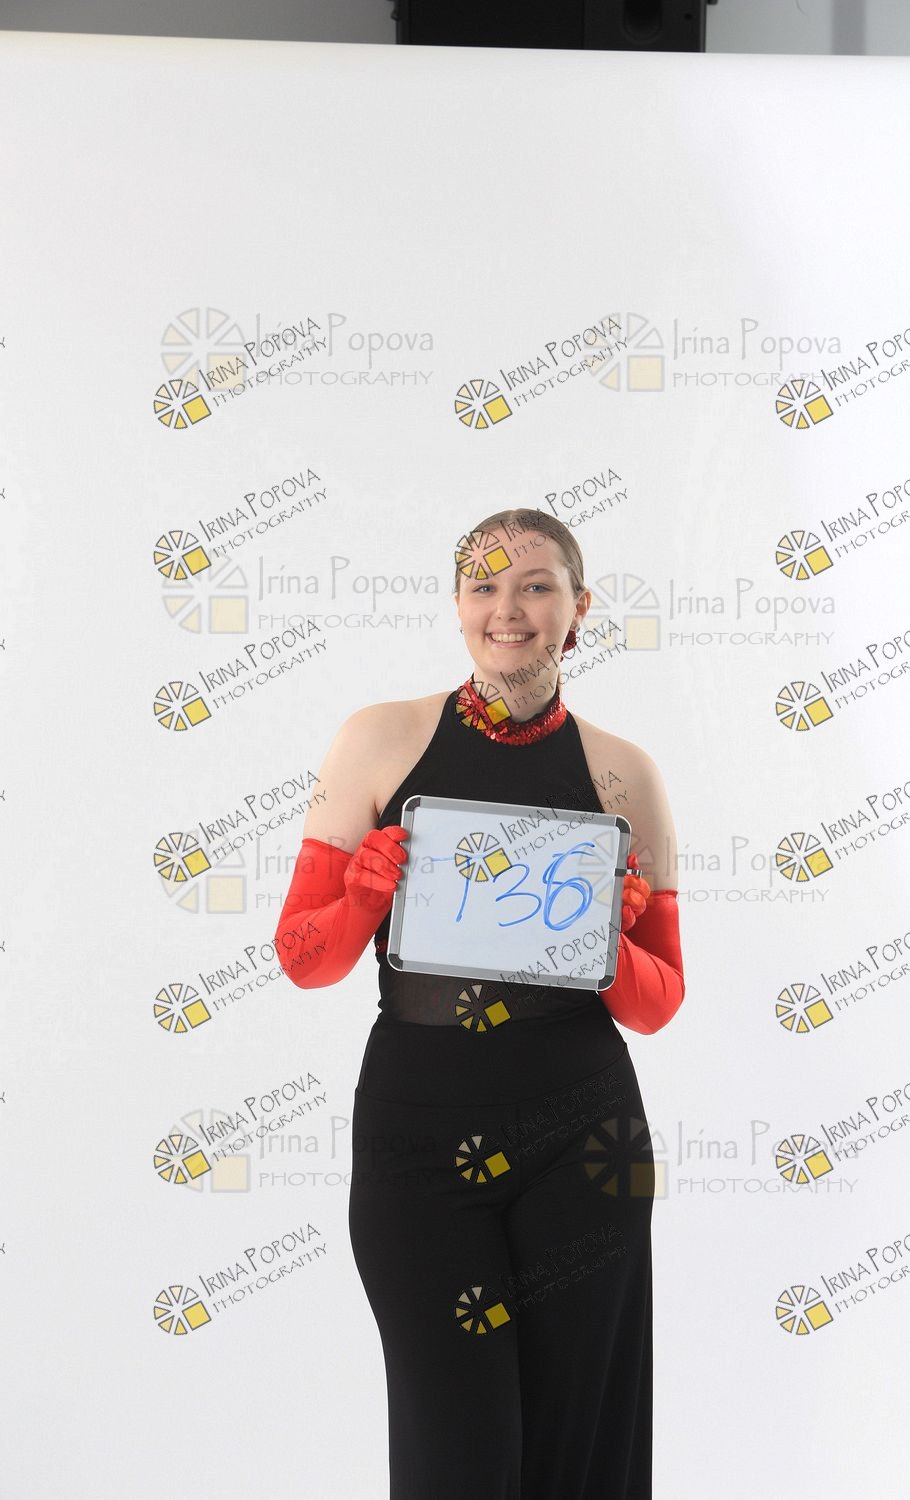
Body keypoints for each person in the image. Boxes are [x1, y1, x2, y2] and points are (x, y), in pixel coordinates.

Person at [273, 508, 686, 1499]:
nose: (509, 608)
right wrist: (362, 894)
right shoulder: (378, 740)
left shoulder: (625, 775)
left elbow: (659, 1001)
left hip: (584, 1135)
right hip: (417, 1134)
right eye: (484, 585)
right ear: (458, 605)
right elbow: (302, 958)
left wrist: (604, 944)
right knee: (455, 1447)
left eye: (537, 585)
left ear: (579, 609)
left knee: (578, 1442)